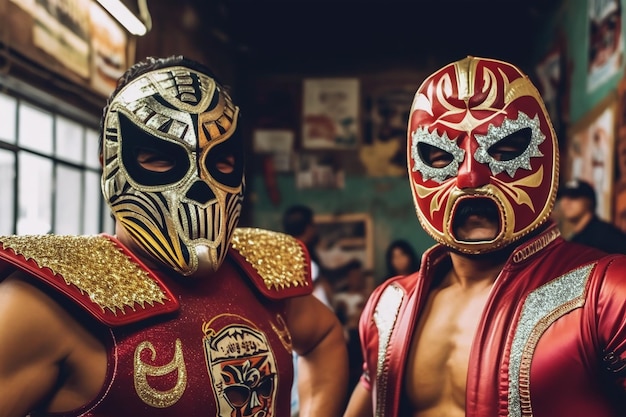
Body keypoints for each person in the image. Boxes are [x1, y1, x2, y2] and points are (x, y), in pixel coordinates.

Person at [0, 56, 348, 417]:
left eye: (221, 161)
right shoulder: (46, 303)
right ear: (109, 161)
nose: (201, 188)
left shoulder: (259, 271)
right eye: (159, 157)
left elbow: (325, 339)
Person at [344, 56, 626, 417]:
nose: (470, 177)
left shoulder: (605, 294)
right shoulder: (387, 308)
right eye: (440, 156)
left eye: (504, 151)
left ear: (547, 156)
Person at [281, 204, 334, 416]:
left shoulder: (278, 256)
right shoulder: (302, 259)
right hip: (308, 339)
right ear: (309, 228)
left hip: (288, 337)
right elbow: (320, 301)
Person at [557, 178, 626, 254]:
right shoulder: (574, 240)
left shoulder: (606, 235)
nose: (565, 202)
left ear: (589, 201)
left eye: (573, 196)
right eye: (562, 197)